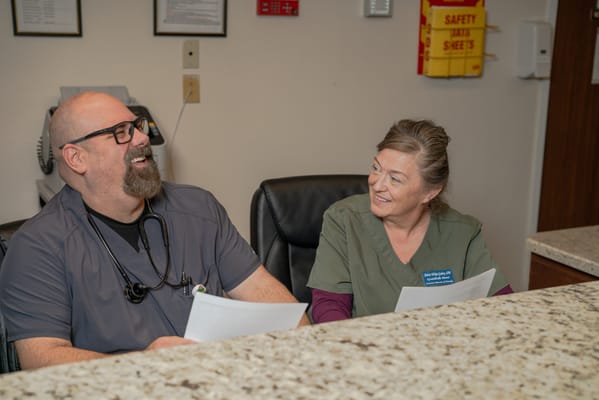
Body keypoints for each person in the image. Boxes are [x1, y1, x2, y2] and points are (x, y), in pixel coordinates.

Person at [0, 91, 309, 370]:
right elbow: (41, 359)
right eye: (120, 133)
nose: (140, 139)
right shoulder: (36, 247)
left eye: (137, 126)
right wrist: (142, 364)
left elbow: (264, 294)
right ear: (76, 158)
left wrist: (306, 341)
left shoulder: (199, 208)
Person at [307, 119, 513, 323]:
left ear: (429, 192)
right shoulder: (344, 219)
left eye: (395, 179)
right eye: (376, 168)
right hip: (358, 347)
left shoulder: (463, 232)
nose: (377, 184)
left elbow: (503, 305)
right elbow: (328, 305)